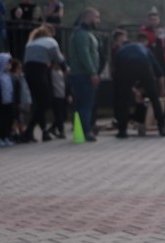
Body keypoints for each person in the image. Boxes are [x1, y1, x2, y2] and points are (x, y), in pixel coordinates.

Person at [113, 33, 165, 138]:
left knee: (124, 100)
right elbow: (159, 73)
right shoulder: (143, 48)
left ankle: (122, 131)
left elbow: (117, 74)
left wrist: (132, 90)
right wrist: (162, 89)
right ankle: (162, 128)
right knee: (154, 98)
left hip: (125, 66)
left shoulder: (120, 51)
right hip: (143, 65)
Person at [23, 24, 64, 142]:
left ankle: (44, 131)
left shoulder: (31, 42)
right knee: (46, 102)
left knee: (38, 103)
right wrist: (65, 67)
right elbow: (58, 57)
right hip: (40, 71)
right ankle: (29, 130)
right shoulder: (50, 41)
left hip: (28, 71)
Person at [68, 7, 100, 142]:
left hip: (82, 74)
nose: (98, 21)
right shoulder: (81, 34)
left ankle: (82, 129)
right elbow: (84, 54)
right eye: (96, 17)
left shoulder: (84, 33)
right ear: (89, 17)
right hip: (83, 74)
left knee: (82, 103)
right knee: (85, 104)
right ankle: (86, 131)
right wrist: (92, 72)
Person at [0, 52, 17, 146]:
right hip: (0, 102)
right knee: (0, 121)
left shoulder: (10, 75)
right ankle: (0, 137)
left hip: (9, 101)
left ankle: (6, 136)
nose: (9, 66)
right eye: (7, 64)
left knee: (8, 120)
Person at [139, 7, 165, 75]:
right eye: (152, 20)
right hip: (149, 57)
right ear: (148, 21)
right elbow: (144, 43)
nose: (153, 22)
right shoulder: (144, 30)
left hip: (161, 58)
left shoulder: (162, 30)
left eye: (155, 20)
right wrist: (155, 36)